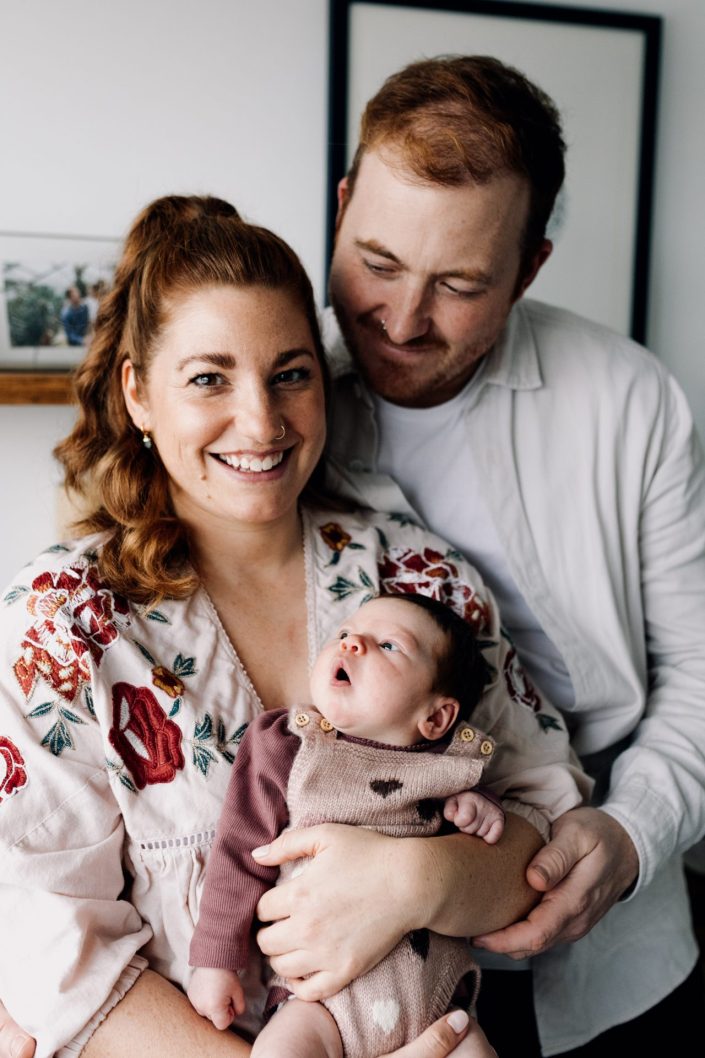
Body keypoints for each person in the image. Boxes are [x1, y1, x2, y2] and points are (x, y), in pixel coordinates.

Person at [0, 194, 588, 1058]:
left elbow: (548, 820)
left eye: (290, 373)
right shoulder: (66, 621)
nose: (262, 422)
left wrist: (421, 877)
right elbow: (46, 944)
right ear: (139, 394)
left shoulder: (415, 579)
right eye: (208, 378)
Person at [322, 55, 705, 1055]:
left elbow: (702, 666)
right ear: (343, 204)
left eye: (459, 284)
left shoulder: (633, 401)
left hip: (622, 950)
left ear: (530, 267)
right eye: (378, 262)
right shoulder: (265, 403)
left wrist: (632, 833)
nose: (403, 321)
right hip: (349, 980)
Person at [189, 592, 580, 1057]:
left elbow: (486, 847)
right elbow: (238, 851)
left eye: (390, 645)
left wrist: (481, 810)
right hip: (318, 1003)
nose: (353, 644)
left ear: (436, 717)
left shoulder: (450, 771)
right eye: (345, 634)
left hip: (438, 1005)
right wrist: (216, 959)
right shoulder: (291, 749)